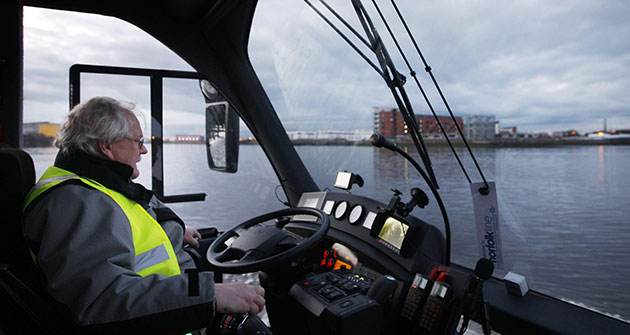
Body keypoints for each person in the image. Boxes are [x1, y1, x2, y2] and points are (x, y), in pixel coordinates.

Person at [22, 97, 265, 334]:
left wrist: (174, 232)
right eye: (138, 142)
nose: (144, 150)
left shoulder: (95, 185)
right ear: (106, 145)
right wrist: (213, 295)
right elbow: (102, 300)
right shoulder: (76, 202)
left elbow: (126, 230)